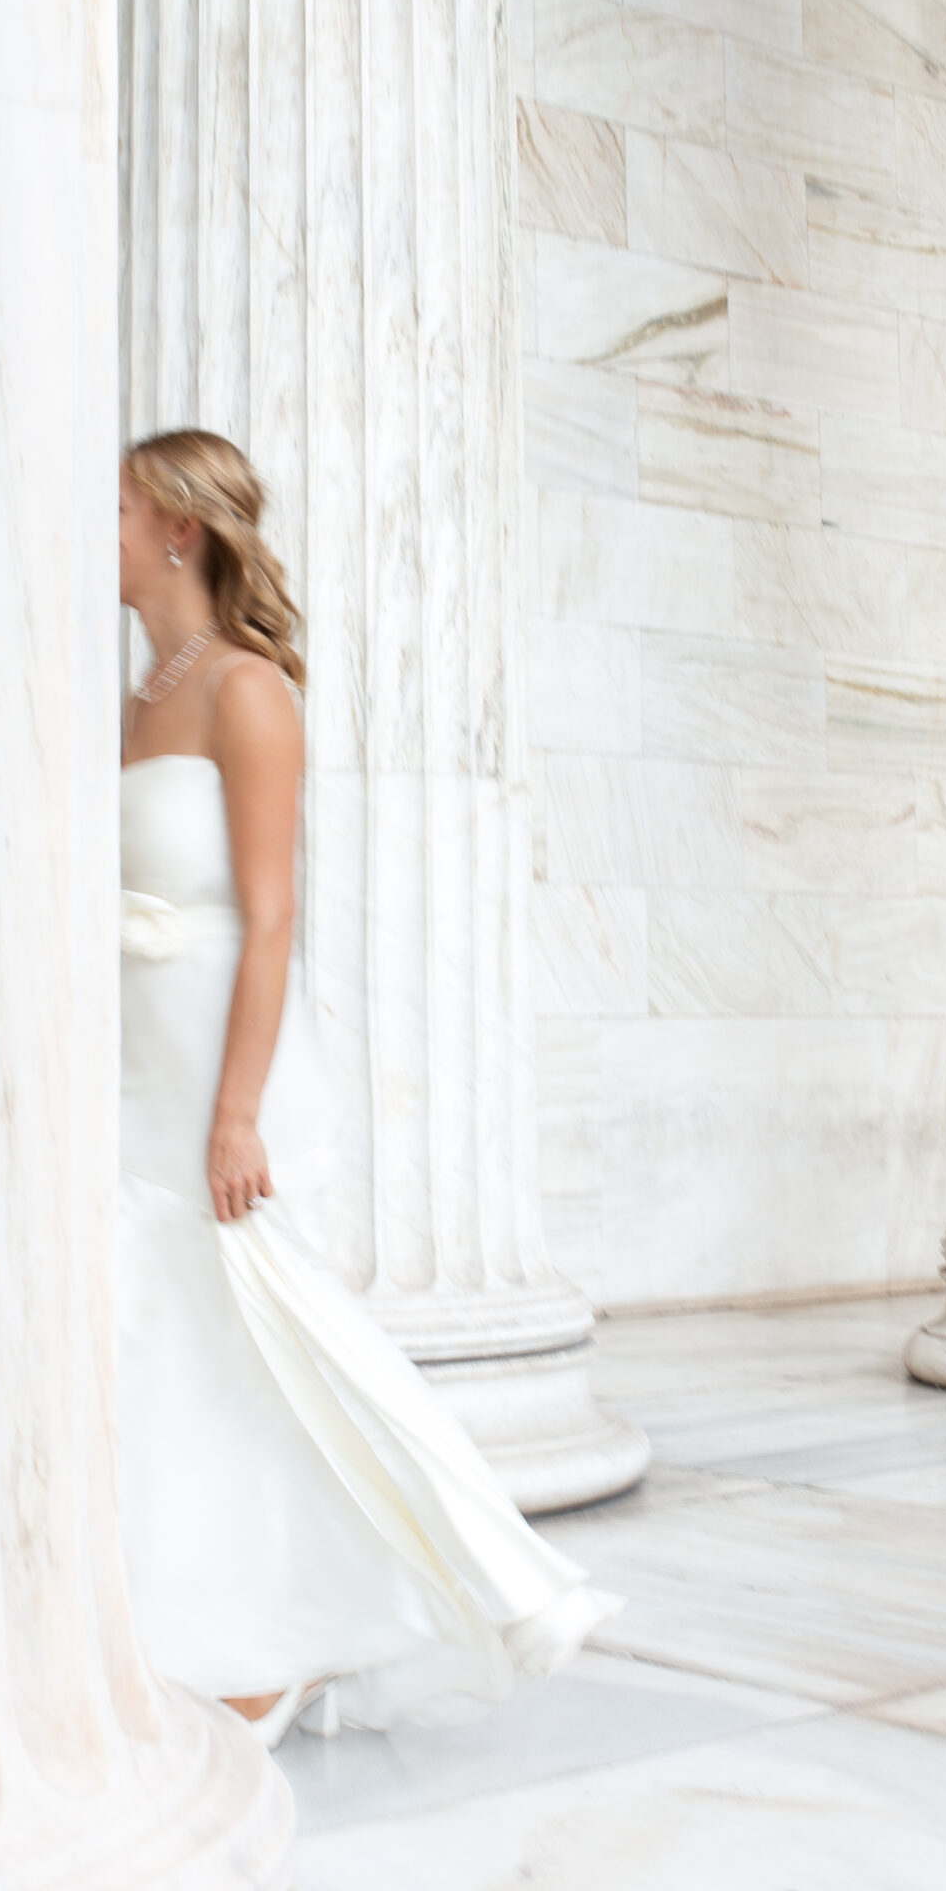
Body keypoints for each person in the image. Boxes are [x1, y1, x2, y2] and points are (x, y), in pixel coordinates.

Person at [116, 428, 614, 1746]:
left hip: (225, 1067)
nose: (95, 532)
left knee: (284, 1341)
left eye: (113, 509)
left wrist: (236, 1112)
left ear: (178, 528)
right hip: (135, 1061)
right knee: (165, 1343)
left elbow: (271, 917)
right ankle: (201, 1620)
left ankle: (404, 1606)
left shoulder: (245, 692)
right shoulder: (132, 699)